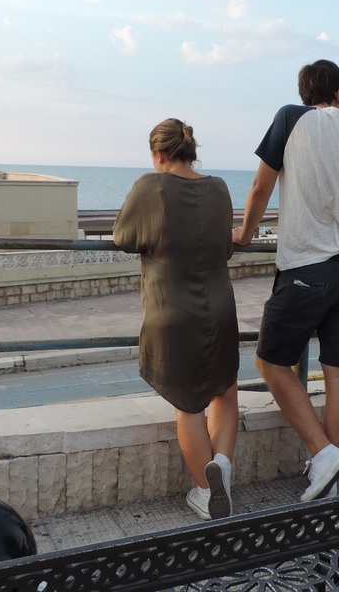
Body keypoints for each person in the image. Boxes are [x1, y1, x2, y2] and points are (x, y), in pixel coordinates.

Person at [232, 60, 339, 502]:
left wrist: (244, 235)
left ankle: (322, 453)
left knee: (271, 362)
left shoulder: (289, 119)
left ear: (305, 93)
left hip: (306, 268)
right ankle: (327, 478)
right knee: (338, 372)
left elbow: (260, 189)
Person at [113, 118, 239, 521]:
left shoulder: (150, 187)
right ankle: (221, 466)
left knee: (188, 406)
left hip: (172, 312)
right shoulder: (219, 188)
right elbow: (225, 246)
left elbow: (123, 237)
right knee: (225, 392)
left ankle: (205, 491)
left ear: (159, 154)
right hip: (221, 308)